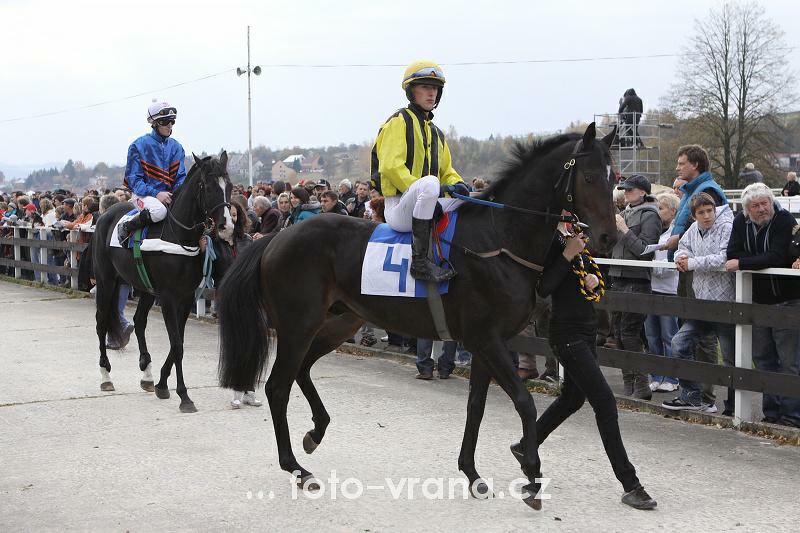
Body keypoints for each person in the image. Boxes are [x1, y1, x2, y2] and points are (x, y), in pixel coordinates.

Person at [514, 225, 656, 510]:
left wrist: (592, 277)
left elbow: (581, 277)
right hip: (566, 334)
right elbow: (544, 287)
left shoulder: (574, 237)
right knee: (604, 402)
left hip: (586, 330)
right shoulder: (553, 242)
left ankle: (527, 444)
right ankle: (631, 484)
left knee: (572, 398)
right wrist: (567, 255)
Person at [371, 60, 469, 282]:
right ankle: (420, 263)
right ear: (411, 92)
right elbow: (390, 166)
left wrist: (460, 184)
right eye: (425, 87)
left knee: (470, 199)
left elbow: (447, 171)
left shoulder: (437, 133)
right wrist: (427, 193)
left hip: (424, 201)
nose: (431, 93)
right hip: (399, 208)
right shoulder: (398, 122)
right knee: (430, 183)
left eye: (434, 88)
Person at [726, 183, 800, 427]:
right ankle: (772, 411)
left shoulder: (783, 220)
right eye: (755, 206)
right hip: (757, 302)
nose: (761, 209)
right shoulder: (740, 222)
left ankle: (792, 415)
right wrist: (746, 261)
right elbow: (731, 253)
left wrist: (744, 262)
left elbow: (777, 255)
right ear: (747, 209)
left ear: (771, 202)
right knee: (763, 357)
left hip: (786, 300)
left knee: (788, 360)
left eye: (764, 203)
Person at [662, 193, 736, 413]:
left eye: (709, 211)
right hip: (701, 303)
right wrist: (680, 258)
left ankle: (733, 407)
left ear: (715, 210)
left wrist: (691, 262)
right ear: (694, 216)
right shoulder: (693, 230)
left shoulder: (726, 227)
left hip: (725, 303)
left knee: (731, 359)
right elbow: (682, 248)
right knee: (679, 343)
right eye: (701, 212)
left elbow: (723, 257)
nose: (706, 216)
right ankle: (692, 396)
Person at [609, 175, 662, 400]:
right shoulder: (624, 213)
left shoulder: (651, 215)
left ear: (642, 192)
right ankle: (629, 385)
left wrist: (623, 229)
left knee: (630, 333)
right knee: (619, 334)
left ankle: (641, 386)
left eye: (630, 190)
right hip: (617, 278)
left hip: (637, 280)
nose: (626, 193)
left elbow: (645, 250)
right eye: (625, 190)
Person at [118, 101, 187, 244]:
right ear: (155, 123)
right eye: (165, 121)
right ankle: (126, 226)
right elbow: (134, 181)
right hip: (143, 195)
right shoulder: (138, 145)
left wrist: (180, 194)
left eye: (172, 122)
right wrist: (156, 193)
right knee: (159, 211)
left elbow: (180, 177)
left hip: (168, 195)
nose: (170, 125)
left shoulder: (176, 147)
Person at [645, 192, 680, 393]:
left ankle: (672, 377)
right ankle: (656, 376)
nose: (658, 212)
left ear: (673, 211)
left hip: (669, 290)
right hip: (651, 288)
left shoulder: (675, 232)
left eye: (662, 208)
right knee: (652, 336)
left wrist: (653, 267)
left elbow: (671, 263)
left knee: (669, 336)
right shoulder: (654, 229)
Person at [663, 145, 727, 255]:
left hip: (699, 262)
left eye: (681, 164)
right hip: (687, 259)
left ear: (695, 165)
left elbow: (709, 227)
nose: (677, 168)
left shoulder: (707, 190)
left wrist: (679, 238)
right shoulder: (690, 190)